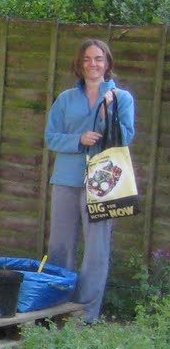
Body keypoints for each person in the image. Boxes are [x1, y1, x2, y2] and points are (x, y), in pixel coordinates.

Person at [44, 38, 136, 323]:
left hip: (104, 181)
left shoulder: (122, 98)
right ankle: (57, 308)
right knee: (60, 245)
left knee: (97, 248)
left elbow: (126, 136)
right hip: (67, 178)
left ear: (107, 64)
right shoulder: (65, 99)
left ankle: (85, 315)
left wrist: (111, 110)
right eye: (87, 59)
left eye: (98, 59)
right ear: (79, 63)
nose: (93, 64)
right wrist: (78, 140)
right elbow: (51, 137)